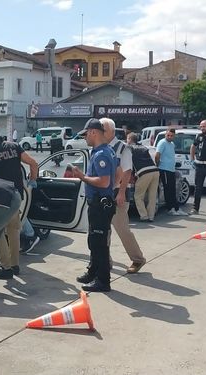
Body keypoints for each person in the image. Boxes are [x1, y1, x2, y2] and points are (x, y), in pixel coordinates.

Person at [0, 125, 38, 280]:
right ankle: (15, 265)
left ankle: (5, 268)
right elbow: (33, 163)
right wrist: (32, 180)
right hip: (16, 195)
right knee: (14, 231)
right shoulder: (14, 147)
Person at [70, 118, 116, 292]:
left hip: (100, 204)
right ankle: (93, 272)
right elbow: (116, 175)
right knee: (94, 241)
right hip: (101, 202)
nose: (85, 138)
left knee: (99, 244)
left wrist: (82, 177)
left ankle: (103, 281)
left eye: (86, 134)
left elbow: (104, 182)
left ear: (93, 132)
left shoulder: (102, 154)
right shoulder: (106, 151)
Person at [101, 117, 147, 274]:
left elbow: (127, 171)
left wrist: (121, 193)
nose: (101, 132)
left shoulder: (123, 148)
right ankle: (105, 261)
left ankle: (138, 259)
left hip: (118, 193)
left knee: (122, 229)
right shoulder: (101, 147)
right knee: (103, 229)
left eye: (104, 130)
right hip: (104, 194)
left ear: (112, 131)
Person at [127, 132, 160, 222]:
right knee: (152, 195)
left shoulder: (129, 148)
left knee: (138, 196)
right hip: (155, 171)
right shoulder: (144, 147)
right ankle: (151, 216)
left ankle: (144, 216)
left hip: (144, 172)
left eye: (127, 139)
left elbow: (129, 164)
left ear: (130, 139)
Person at [156, 128, 187, 216]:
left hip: (171, 169)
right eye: (168, 135)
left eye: (171, 135)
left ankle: (176, 208)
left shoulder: (172, 144)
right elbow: (157, 155)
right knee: (167, 189)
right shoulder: (162, 143)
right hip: (164, 169)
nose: (169, 137)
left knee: (172, 189)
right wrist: (158, 165)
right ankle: (170, 208)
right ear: (165, 135)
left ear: (174, 136)